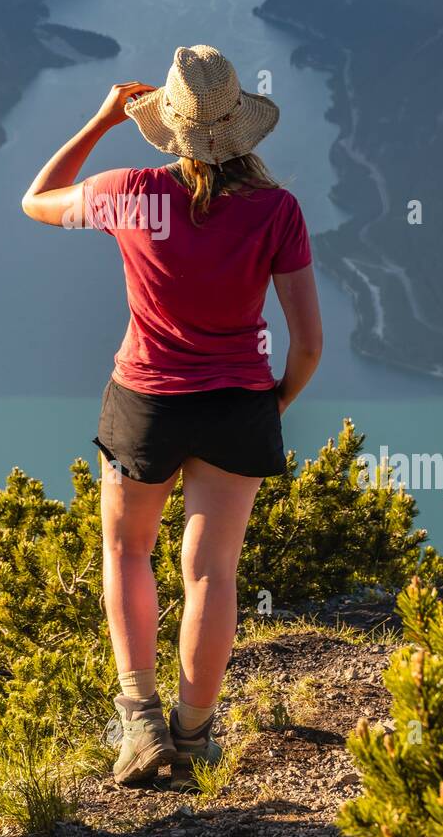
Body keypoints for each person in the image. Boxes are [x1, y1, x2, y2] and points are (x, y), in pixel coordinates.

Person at [22, 44, 322, 785]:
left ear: (165, 124)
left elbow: (35, 200)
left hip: (144, 401)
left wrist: (98, 121)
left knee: (127, 554)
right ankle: (192, 736)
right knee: (212, 573)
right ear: (239, 125)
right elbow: (308, 343)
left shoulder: (127, 191)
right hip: (237, 404)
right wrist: (269, 402)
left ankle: (140, 724)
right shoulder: (275, 209)